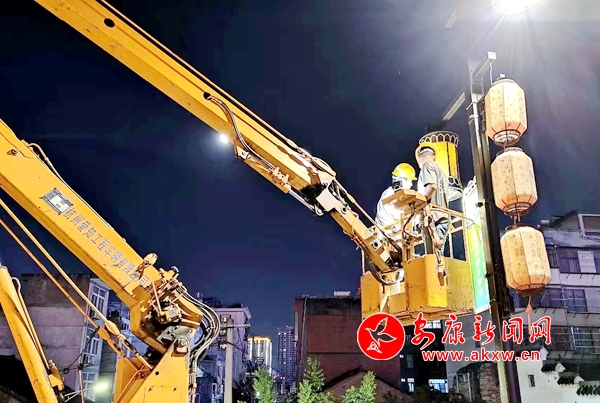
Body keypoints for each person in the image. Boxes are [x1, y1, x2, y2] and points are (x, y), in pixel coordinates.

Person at [415, 144, 451, 256]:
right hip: (443, 216)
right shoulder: (442, 174)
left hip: (433, 218)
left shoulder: (427, 166)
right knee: (438, 256)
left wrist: (419, 203)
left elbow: (432, 186)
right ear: (434, 156)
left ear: (419, 158)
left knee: (433, 259)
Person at [375, 163, 417, 231]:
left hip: (396, 232)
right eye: (410, 181)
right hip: (388, 234)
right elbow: (398, 219)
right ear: (401, 181)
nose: (411, 184)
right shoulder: (389, 196)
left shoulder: (397, 195)